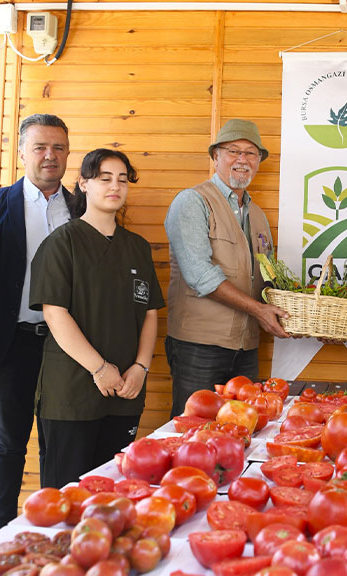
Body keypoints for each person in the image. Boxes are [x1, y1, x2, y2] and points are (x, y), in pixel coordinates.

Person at [29, 148, 161, 489]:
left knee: (113, 494)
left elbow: (150, 313)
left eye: (122, 180)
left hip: (126, 393)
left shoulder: (137, 248)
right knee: (67, 497)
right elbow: (55, 313)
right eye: (105, 178)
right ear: (84, 184)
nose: (115, 186)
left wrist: (141, 367)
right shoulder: (62, 243)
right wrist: (99, 368)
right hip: (72, 395)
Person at [0, 114, 72, 534]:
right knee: (8, 441)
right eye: (39, 147)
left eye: (58, 147)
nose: (49, 156)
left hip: (67, 346)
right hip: (13, 341)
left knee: (60, 440)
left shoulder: (82, 208)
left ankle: (55, 529)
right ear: (22, 153)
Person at [164, 119, 288, 417]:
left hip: (246, 347)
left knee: (243, 428)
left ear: (258, 161)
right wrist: (259, 311)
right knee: (193, 429)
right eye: (233, 151)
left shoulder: (257, 215)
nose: (242, 159)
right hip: (199, 346)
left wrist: (295, 316)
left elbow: (268, 276)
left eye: (251, 153)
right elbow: (199, 274)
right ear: (215, 156)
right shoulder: (192, 201)